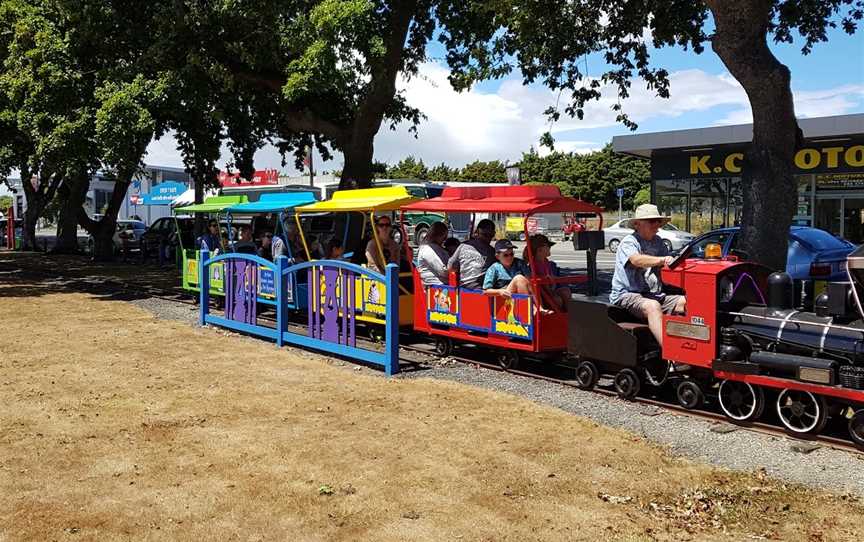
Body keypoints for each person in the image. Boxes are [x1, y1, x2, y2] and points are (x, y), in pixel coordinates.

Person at [610, 204, 686, 346]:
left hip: (653, 294)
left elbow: (669, 265)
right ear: (637, 224)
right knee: (652, 306)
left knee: (687, 302)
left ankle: (689, 345)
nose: (656, 225)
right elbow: (636, 260)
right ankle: (671, 354)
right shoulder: (629, 242)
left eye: (658, 221)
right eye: (652, 221)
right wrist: (662, 260)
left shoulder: (658, 242)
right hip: (628, 294)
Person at [526, 234, 570, 311]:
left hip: (551, 289)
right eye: (548, 247)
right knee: (557, 300)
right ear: (539, 250)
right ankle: (558, 317)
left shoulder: (547, 263)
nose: (550, 249)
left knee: (565, 292)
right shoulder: (533, 265)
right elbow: (536, 280)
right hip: (542, 295)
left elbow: (552, 277)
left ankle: (569, 315)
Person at [447, 218, 496, 289]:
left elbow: (450, 267)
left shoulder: (463, 245)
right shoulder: (492, 252)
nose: (487, 238)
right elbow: (450, 267)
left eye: (490, 236)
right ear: (477, 232)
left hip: (462, 288)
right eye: (485, 235)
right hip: (479, 290)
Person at [416, 221, 450, 286]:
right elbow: (443, 271)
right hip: (436, 286)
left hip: (443, 283)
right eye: (444, 237)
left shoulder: (437, 247)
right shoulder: (427, 249)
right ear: (438, 235)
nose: (444, 239)